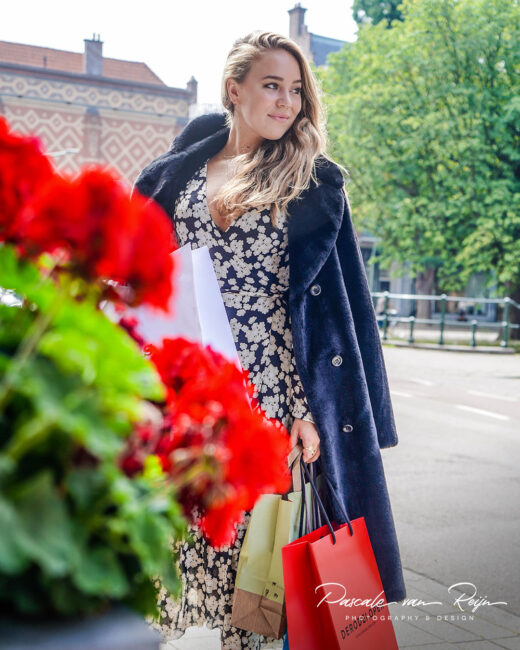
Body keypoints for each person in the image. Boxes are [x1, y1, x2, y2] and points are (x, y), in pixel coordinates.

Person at [134, 30, 406, 650]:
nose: (286, 102)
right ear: (234, 90)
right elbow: (142, 277)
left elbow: (343, 307)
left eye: (296, 90)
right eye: (271, 86)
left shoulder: (313, 181)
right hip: (184, 393)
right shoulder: (173, 178)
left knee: (256, 577)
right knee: (167, 554)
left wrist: (311, 410)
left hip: (271, 399)